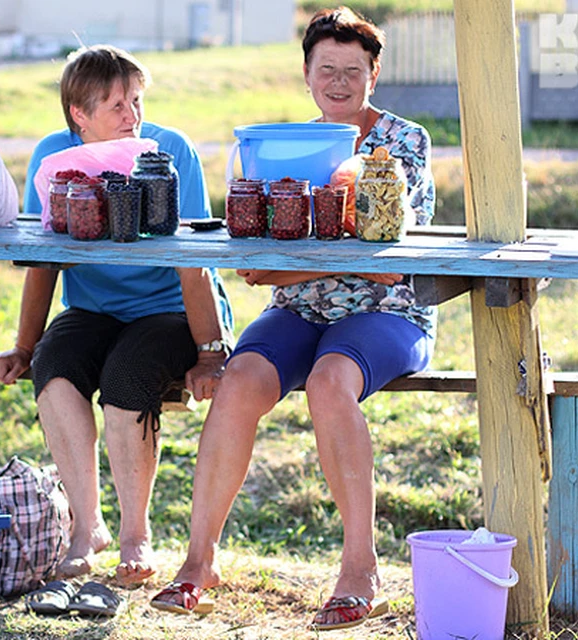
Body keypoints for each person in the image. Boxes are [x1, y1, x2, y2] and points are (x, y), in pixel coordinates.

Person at [151, 7, 436, 630]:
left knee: (332, 384)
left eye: (353, 70)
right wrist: (300, 268)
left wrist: (295, 267)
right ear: (306, 75)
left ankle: (362, 571)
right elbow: (263, 260)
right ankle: (200, 563)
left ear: (374, 73)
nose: (339, 82)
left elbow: (386, 259)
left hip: (387, 312)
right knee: (237, 382)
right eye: (326, 69)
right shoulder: (282, 145)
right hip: (299, 312)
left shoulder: (405, 140)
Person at [0, 44, 233, 586]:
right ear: (80, 114)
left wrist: (210, 353)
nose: (133, 117)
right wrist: (24, 348)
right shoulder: (53, 157)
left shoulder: (170, 152)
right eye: (117, 105)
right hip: (93, 307)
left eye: (137, 101)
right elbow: (43, 259)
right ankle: (87, 527)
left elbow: (192, 265)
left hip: (171, 309)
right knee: (54, 367)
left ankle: (134, 535)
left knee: (127, 374)